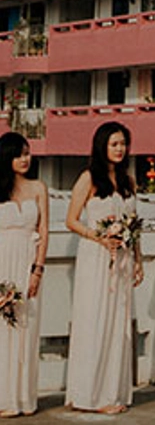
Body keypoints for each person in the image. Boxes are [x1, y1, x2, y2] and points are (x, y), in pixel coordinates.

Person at [65, 122, 144, 414]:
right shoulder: (88, 178)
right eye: (114, 144)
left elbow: (134, 223)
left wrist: (138, 258)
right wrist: (98, 238)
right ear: (102, 146)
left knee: (117, 324)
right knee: (94, 320)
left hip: (122, 258)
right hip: (96, 256)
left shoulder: (129, 181)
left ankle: (111, 390)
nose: (120, 148)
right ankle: (90, 394)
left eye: (123, 143)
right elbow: (71, 220)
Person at [0, 132, 48, 418]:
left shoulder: (39, 188)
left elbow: (43, 232)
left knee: (25, 329)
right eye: (19, 154)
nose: (25, 159)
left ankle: (23, 398)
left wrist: (37, 270)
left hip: (28, 261)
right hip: (2, 261)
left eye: (28, 153)